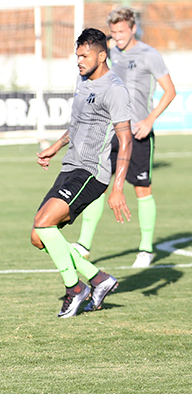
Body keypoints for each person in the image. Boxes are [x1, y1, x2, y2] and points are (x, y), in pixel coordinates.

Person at [31, 28, 132, 318]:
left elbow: (124, 140)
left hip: (91, 172)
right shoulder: (82, 79)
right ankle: (99, 279)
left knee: (43, 223)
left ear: (102, 55)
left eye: (85, 55)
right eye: (77, 55)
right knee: (39, 236)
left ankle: (75, 289)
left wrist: (117, 187)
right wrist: (55, 146)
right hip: (70, 166)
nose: (79, 60)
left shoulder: (114, 89)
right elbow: (79, 124)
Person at [72, 7, 176, 268]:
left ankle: (145, 249)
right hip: (109, 132)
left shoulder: (149, 54)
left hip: (138, 132)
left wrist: (149, 120)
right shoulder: (107, 53)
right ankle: (84, 245)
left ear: (133, 29)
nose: (117, 36)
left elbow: (170, 91)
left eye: (122, 31)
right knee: (97, 185)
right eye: (114, 31)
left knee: (142, 189)